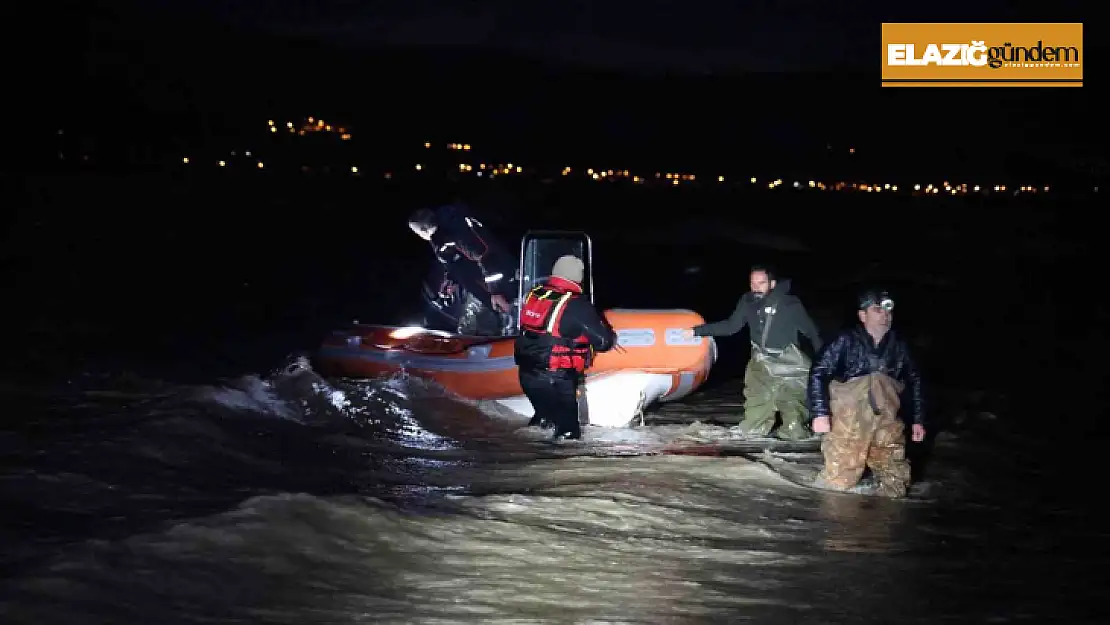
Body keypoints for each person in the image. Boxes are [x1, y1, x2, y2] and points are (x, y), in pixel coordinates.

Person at [807, 289, 926, 499]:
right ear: (863, 315)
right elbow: (819, 372)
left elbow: (915, 381)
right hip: (849, 422)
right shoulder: (845, 340)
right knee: (838, 483)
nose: (884, 315)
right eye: (877, 310)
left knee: (895, 483)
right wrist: (820, 413)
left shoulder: (899, 345)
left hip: (886, 421)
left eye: (888, 311)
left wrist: (918, 420)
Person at [688, 265, 823, 440]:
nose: (756, 288)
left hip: (790, 364)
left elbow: (813, 333)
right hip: (760, 361)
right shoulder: (747, 301)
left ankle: (796, 431)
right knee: (756, 406)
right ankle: (754, 430)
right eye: (753, 283)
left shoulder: (790, 304)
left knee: (794, 417)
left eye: (761, 283)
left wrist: (822, 362)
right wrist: (697, 331)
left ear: (772, 283)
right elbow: (731, 326)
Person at [514, 255, 617, 441]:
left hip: (527, 374)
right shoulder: (576, 304)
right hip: (556, 378)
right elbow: (604, 342)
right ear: (578, 277)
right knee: (568, 436)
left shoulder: (535, 294)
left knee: (543, 421)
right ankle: (559, 467)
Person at [408, 204, 516, 336]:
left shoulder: (455, 232)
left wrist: (496, 291)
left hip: (499, 285)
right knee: (470, 328)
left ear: (423, 230)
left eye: (417, 233)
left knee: (484, 328)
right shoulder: (442, 237)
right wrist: (451, 280)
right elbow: (455, 261)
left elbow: (487, 256)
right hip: (481, 287)